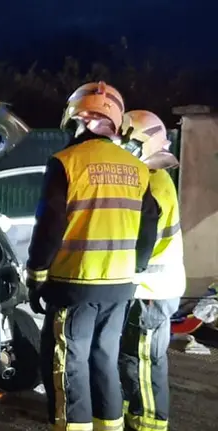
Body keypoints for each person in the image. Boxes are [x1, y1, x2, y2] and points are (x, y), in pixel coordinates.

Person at [24, 82, 160, 431]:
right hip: (119, 288)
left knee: (69, 366)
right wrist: (136, 267)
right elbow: (150, 222)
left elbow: (49, 226)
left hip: (74, 286)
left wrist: (36, 276)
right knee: (104, 361)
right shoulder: (138, 169)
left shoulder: (66, 163)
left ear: (75, 119)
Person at [118, 110, 185, 431]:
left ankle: (148, 424)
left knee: (144, 361)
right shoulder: (158, 179)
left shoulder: (150, 186)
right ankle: (133, 412)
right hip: (155, 291)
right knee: (135, 357)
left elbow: (140, 251)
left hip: (150, 291)